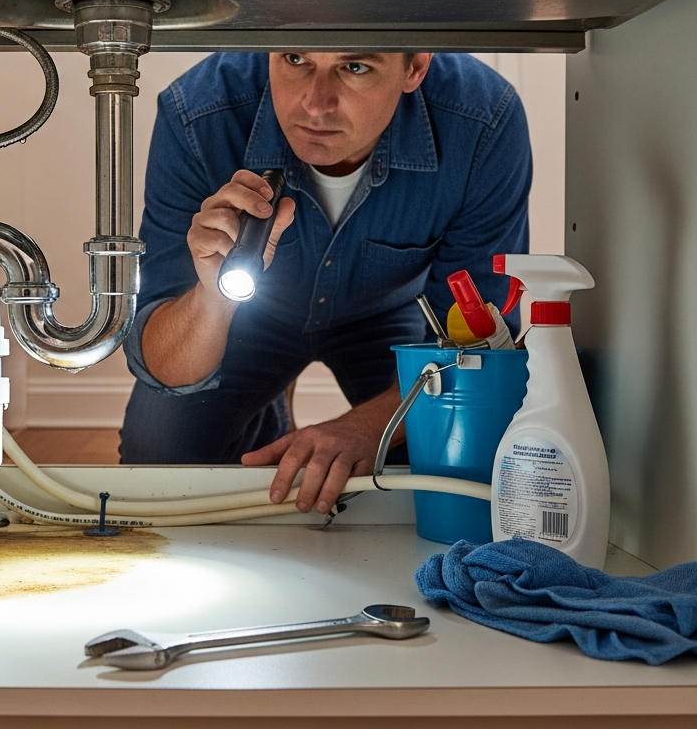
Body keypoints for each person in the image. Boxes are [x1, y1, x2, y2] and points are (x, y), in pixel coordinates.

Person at [119, 51, 530, 517]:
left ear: (414, 67)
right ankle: (265, 417)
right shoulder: (197, 112)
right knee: (158, 456)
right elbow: (165, 365)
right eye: (295, 59)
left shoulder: (483, 120)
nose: (316, 104)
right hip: (246, 317)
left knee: (454, 457)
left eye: (355, 67)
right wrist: (213, 298)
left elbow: (479, 349)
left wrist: (366, 429)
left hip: (388, 315)